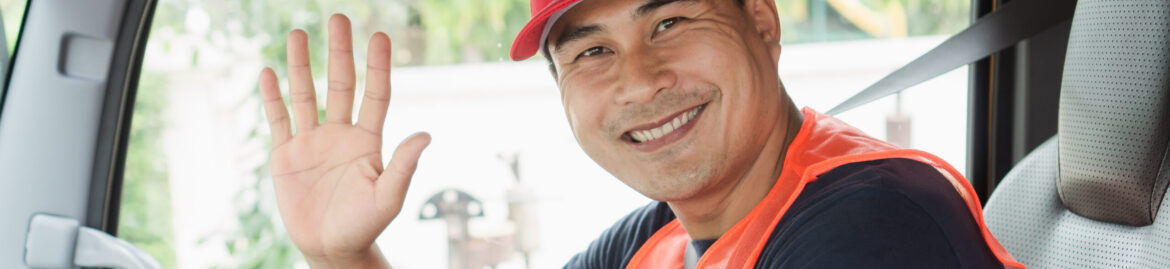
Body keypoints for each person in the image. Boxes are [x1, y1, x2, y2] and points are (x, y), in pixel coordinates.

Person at [256, 0, 1026, 268]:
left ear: (761, 24)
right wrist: (344, 255)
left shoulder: (878, 222)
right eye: (591, 51)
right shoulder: (658, 235)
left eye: (670, 22)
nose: (638, 78)